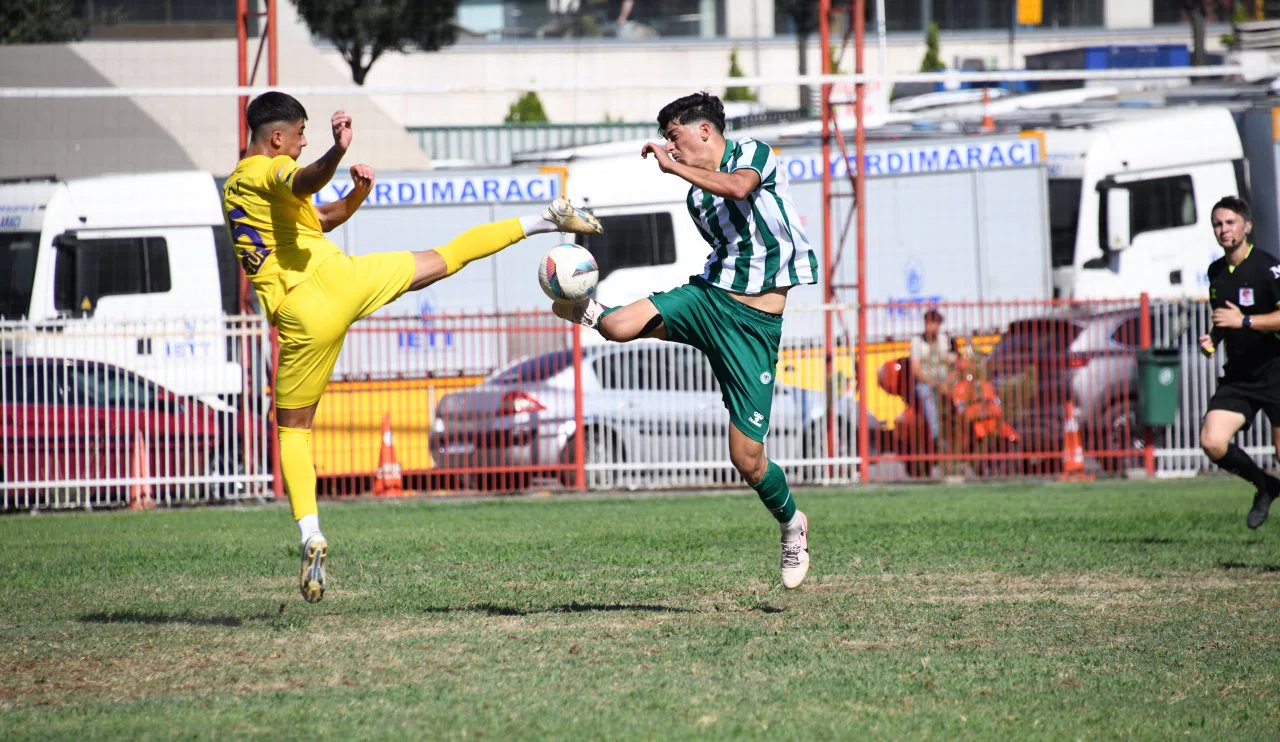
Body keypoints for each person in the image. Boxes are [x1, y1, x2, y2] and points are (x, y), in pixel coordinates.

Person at [224, 91, 602, 602]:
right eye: (299, 135)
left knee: (293, 433)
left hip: (302, 312)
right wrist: (335, 152)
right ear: (276, 138)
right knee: (445, 257)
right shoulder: (262, 173)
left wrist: (356, 195)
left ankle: (311, 533)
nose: (303, 141)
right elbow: (304, 178)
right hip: (342, 280)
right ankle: (544, 218)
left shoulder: (239, 189)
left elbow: (323, 217)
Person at [552, 92, 818, 588]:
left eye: (674, 137)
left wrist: (674, 168)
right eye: (666, 142)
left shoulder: (753, 154)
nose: (669, 149)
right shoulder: (696, 198)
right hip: (709, 300)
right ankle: (578, 297)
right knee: (614, 327)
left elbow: (740, 189)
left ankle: (791, 525)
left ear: (704, 131)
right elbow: (725, 236)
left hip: (754, 329)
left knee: (747, 459)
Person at [1198, 195, 1280, 529]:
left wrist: (1245, 321)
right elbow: (1223, 318)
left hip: (1276, 373)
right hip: (1240, 377)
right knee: (1212, 441)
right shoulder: (1216, 271)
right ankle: (1265, 485)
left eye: (1230, 222)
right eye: (1218, 224)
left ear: (1246, 225)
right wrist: (1212, 339)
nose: (1223, 229)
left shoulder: (1269, 267)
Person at [908, 308, 954, 451]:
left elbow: (950, 362)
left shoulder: (943, 340)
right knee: (928, 399)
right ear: (925, 324)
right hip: (926, 382)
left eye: (936, 324)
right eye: (931, 323)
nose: (933, 327)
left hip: (944, 379)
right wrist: (935, 383)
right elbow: (916, 369)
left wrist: (947, 381)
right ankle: (936, 437)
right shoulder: (917, 342)